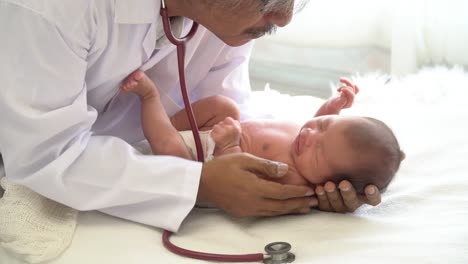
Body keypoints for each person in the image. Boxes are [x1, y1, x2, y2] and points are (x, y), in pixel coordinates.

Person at [0, 0, 382, 232]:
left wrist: (320, 181)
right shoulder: (50, 8)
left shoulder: (226, 20)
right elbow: (45, 153)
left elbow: (229, 114)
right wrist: (196, 184)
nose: (283, 19)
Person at [122, 70, 403, 202]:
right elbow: (318, 129)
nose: (309, 135)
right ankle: (169, 123)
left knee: (171, 150)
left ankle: (150, 101)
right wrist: (332, 108)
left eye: (318, 152)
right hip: (217, 131)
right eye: (325, 125)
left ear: (329, 183)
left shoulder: (291, 176)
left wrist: (230, 144)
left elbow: (235, 177)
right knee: (223, 106)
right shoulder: (313, 141)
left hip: (200, 161)